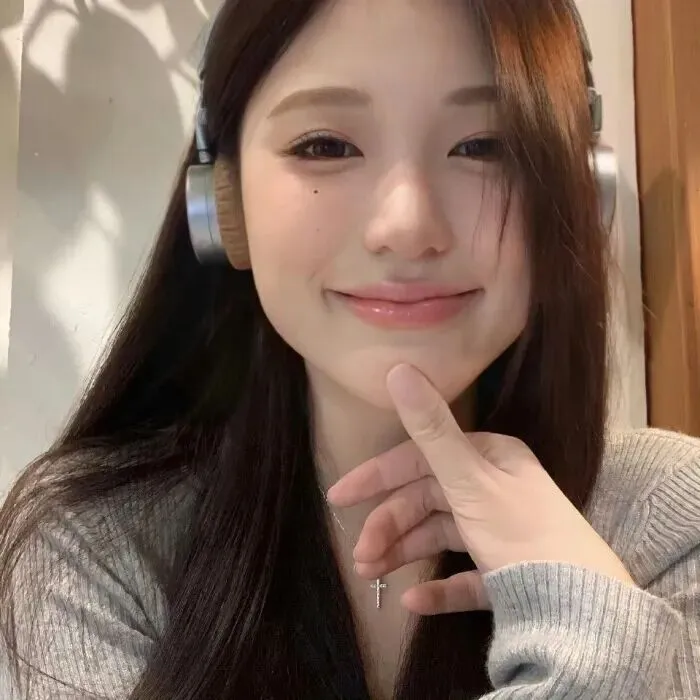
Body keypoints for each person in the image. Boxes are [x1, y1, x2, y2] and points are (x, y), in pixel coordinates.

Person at [0, 0, 698, 697]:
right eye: (326, 146)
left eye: (486, 146)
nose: (407, 226)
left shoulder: (673, 521)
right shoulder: (94, 547)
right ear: (224, 205)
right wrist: (606, 658)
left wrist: (588, 606)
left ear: (582, 194)